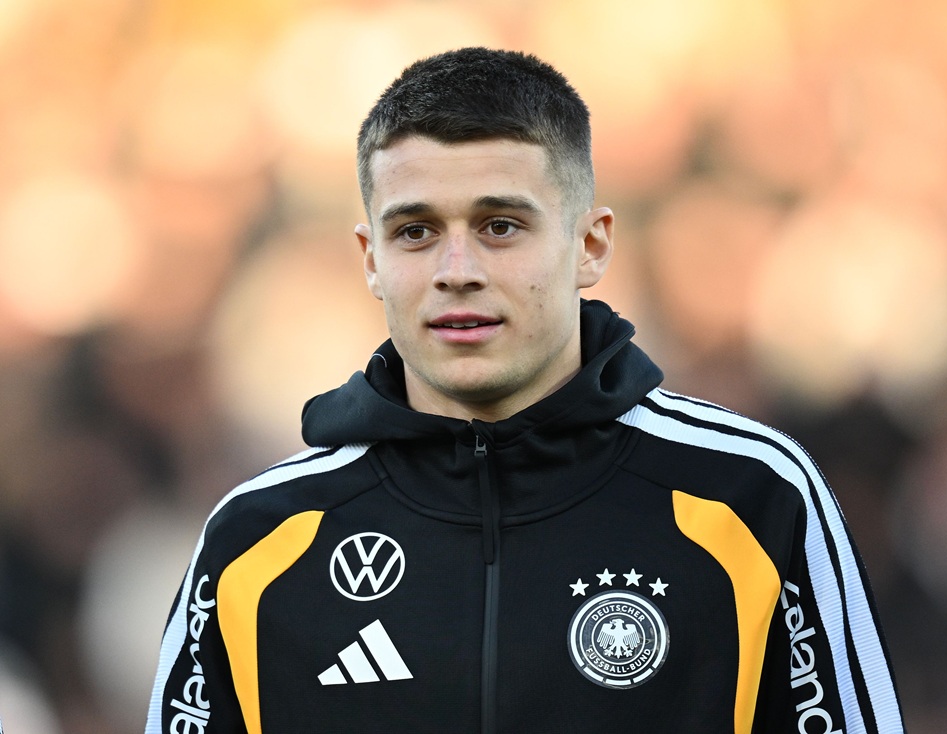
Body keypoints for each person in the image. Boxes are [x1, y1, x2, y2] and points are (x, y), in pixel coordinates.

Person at [146, 47, 905, 733]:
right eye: (414, 231)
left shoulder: (751, 497)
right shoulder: (258, 544)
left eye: (500, 226)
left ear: (590, 244)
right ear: (370, 257)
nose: (456, 268)